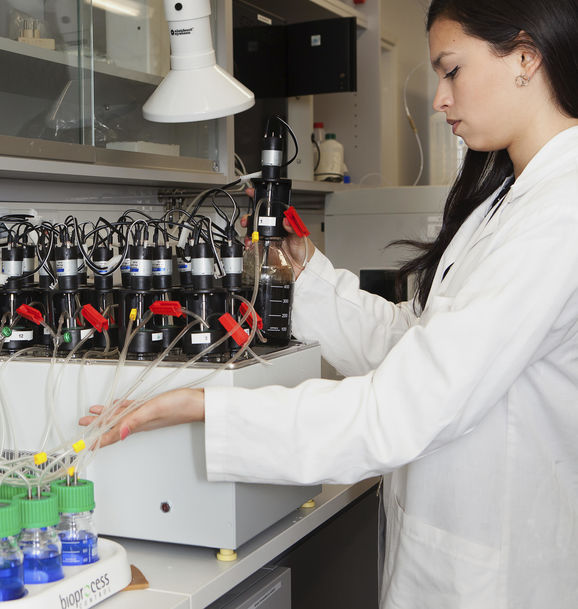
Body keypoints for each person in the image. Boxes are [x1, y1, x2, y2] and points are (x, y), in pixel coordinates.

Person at [81, 0, 578, 606]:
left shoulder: (559, 212)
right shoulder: (509, 199)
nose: (440, 99)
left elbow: (409, 405)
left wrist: (209, 405)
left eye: (451, 70)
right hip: (459, 545)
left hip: (502, 570)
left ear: (525, 57)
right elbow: (412, 343)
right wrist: (303, 273)